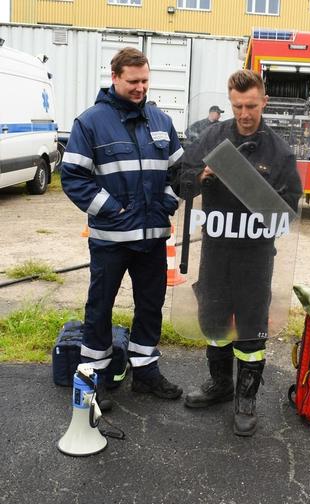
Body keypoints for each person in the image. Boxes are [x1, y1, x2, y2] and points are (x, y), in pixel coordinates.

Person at [179, 69, 302, 436]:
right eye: (237, 106)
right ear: (229, 102)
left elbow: (291, 208)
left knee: (250, 329)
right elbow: (180, 183)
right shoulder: (211, 139)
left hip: (256, 255)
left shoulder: (279, 150)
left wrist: (266, 199)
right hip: (216, 251)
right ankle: (219, 384)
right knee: (214, 323)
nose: (245, 114)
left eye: (251, 106)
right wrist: (201, 176)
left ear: (264, 101)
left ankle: (245, 399)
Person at [60, 47, 184, 408]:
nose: (140, 88)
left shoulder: (160, 120)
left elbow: (177, 172)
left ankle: (145, 372)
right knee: (99, 309)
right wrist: (112, 210)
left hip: (152, 237)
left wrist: (167, 200)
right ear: (114, 78)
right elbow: (73, 177)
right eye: (133, 81)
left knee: (150, 305)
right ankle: (94, 378)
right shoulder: (90, 122)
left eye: (145, 80)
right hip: (111, 239)